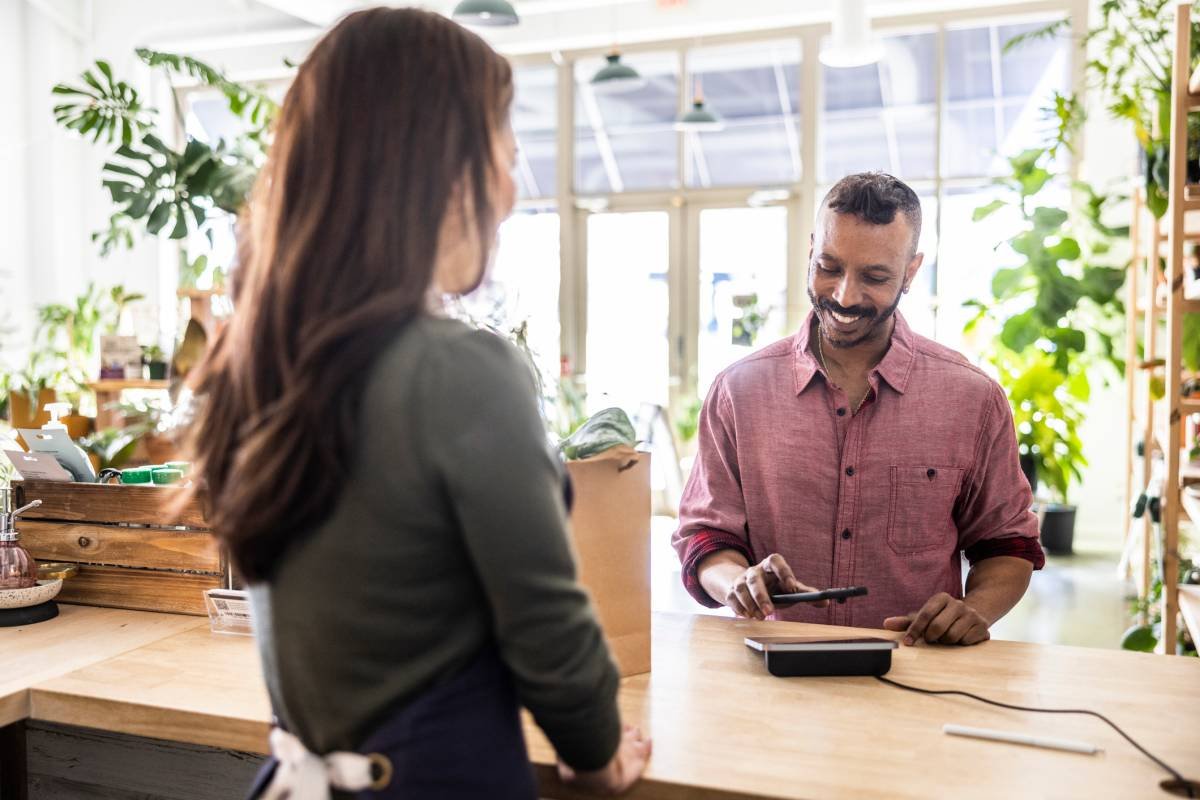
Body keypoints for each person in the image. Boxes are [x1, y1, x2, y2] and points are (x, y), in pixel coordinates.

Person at [183, 9, 650, 798]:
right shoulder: (462, 370)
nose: (509, 187)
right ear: (441, 170)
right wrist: (598, 752)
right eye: (502, 152)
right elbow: (548, 625)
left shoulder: (263, 361)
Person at [673, 172, 1044, 647]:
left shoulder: (972, 399)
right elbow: (705, 536)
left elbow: (1007, 544)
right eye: (829, 267)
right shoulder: (738, 391)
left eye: (874, 276)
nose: (845, 295)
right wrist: (735, 582)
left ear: (910, 272)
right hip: (773, 670)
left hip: (916, 675)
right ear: (810, 251)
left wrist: (974, 611)